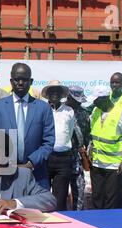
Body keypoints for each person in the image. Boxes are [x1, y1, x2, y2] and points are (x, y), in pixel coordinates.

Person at [0, 63, 55, 190]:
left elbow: (48, 142)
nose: (21, 83)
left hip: (36, 174)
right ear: (11, 81)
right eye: (17, 79)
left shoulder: (43, 108)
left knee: (36, 210)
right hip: (4, 174)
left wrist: (31, 163)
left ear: (31, 81)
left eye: (25, 79)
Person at [89, 86, 122, 209]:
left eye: (96, 100)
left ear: (104, 99)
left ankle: (112, 226)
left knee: (111, 200)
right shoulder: (95, 112)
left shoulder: (121, 114)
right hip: (97, 164)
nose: (94, 103)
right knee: (97, 198)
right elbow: (94, 135)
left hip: (114, 165)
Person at [41, 80, 74, 211]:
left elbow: (70, 132)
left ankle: (59, 223)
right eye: (51, 91)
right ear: (47, 94)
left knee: (60, 197)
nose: (54, 94)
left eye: (57, 91)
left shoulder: (69, 111)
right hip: (46, 157)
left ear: (62, 95)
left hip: (63, 158)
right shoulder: (42, 109)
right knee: (43, 195)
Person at [66, 86, 90, 211]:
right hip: (61, 157)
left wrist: (87, 154)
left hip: (77, 157)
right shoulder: (60, 110)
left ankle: (79, 217)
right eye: (76, 99)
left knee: (79, 191)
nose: (79, 102)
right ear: (69, 97)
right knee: (61, 193)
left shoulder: (84, 113)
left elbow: (87, 136)